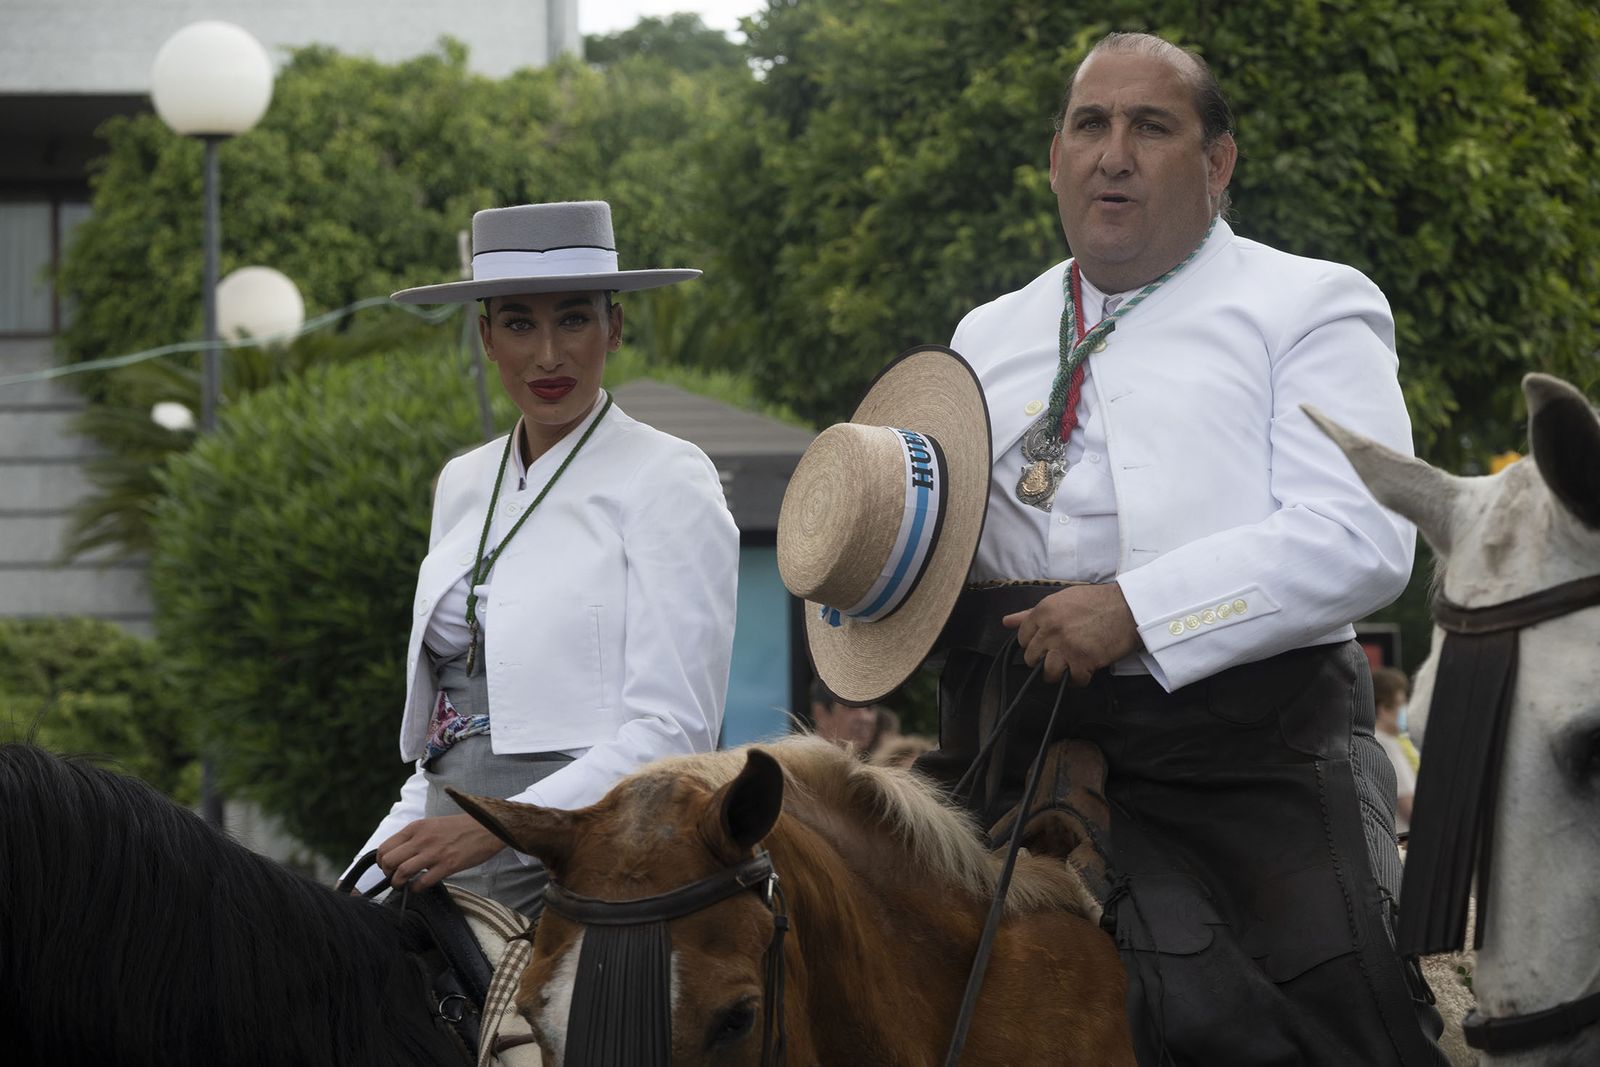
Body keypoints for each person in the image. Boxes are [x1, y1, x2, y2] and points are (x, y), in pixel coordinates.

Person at [914, 32, 1445, 1065]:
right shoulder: (985, 332)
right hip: (1008, 733)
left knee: (1344, 1005)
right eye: (1089, 125)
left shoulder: (1309, 302)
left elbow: (1362, 541)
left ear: (1218, 164)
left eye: (1150, 126)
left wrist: (1137, 608)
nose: (1113, 153)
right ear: (1056, 155)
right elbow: (939, 541)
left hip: (1250, 744)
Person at [343, 201, 739, 915]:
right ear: (487, 335)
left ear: (614, 327)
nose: (549, 354)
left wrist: (498, 828)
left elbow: (676, 729)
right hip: (444, 835)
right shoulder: (463, 481)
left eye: (575, 318)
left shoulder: (668, 477)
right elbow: (450, 740)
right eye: (521, 322)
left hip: (591, 856)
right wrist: (366, 876)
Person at [1373, 666, 1418, 833]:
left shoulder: (1373, 741)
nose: (1406, 709)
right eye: (1401, 704)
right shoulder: (1386, 745)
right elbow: (1409, 806)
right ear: (1384, 709)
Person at [808, 677, 880, 754]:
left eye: (869, 707)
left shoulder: (881, 760)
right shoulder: (801, 763)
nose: (864, 717)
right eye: (852, 706)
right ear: (820, 714)